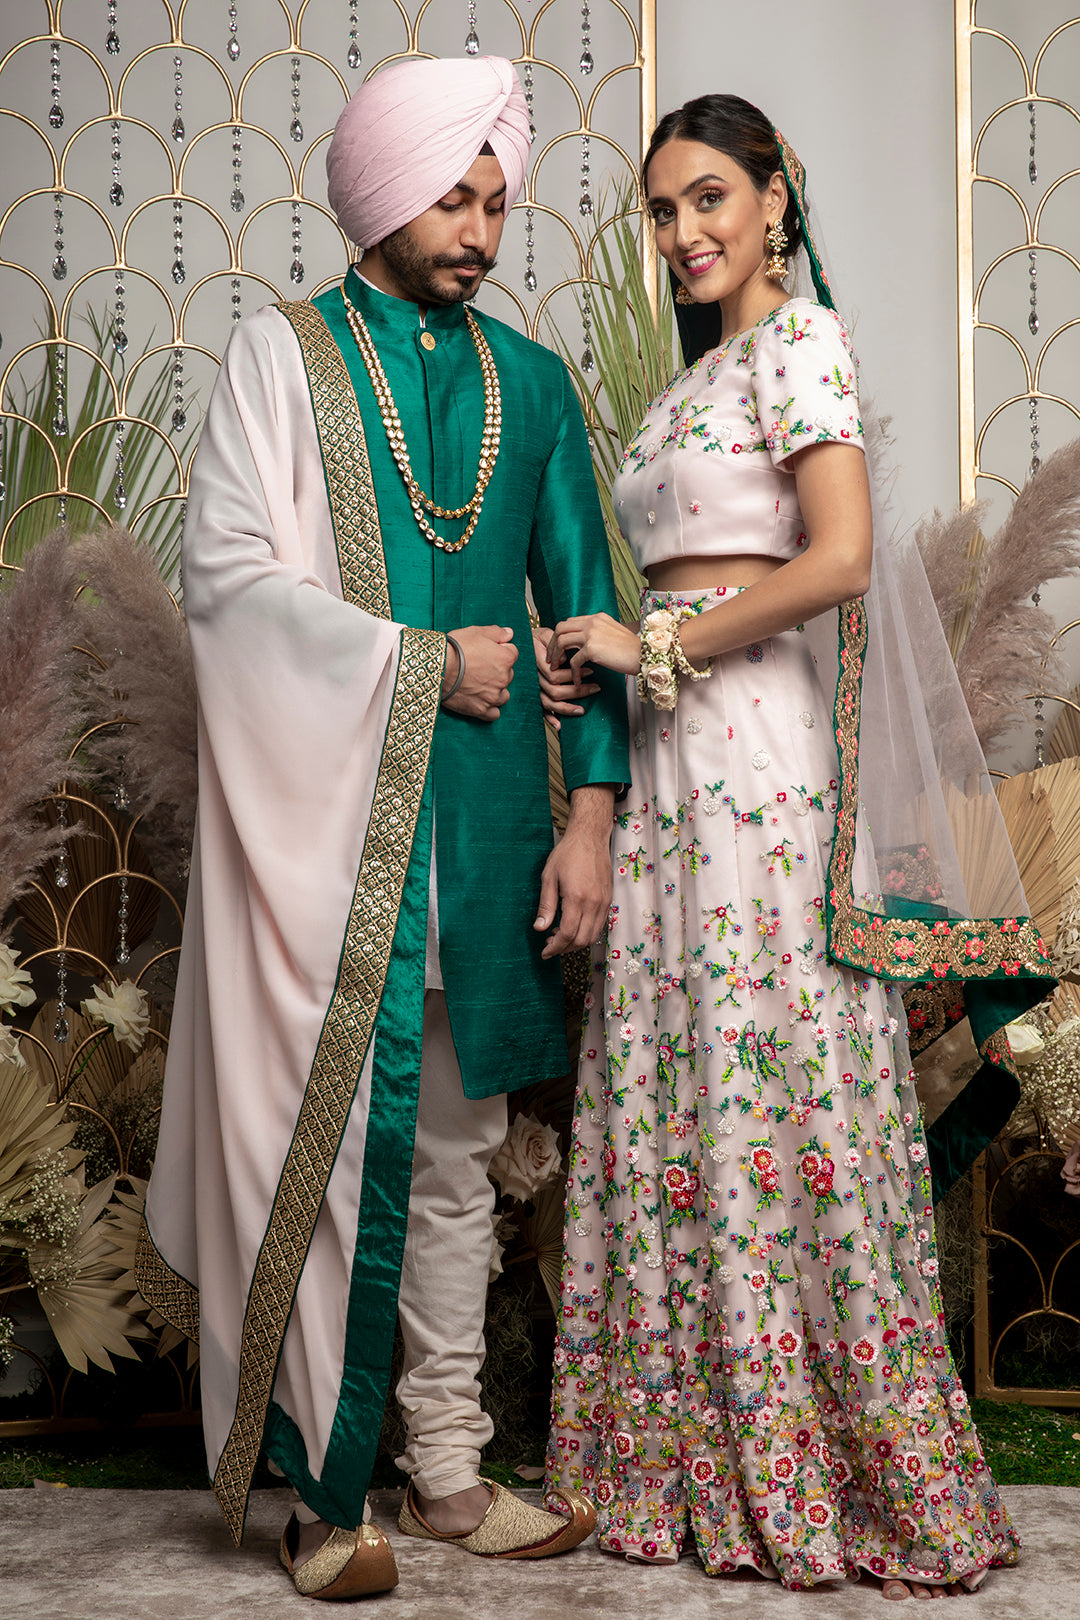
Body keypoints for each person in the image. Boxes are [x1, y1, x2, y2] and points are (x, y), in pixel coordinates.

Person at [543, 94, 1052, 1597]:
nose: (685, 233)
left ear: (777, 198)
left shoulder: (802, 344)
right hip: (666, 762)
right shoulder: (690, 387)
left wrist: (661, 640)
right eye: (661, 212)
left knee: (769, 1062)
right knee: (677, 1065)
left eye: (711, 199)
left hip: (756, 769)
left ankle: (818, 1450)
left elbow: (832, 561)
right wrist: (604, 654)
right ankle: (678, 1452)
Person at [136, 55, 628, 1601]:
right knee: (332, 1146)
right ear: (374, 189)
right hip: (324, 843)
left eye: (496, 201)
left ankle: (449, 1472)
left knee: (463, 1159)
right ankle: (318, 1489)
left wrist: (592, 818)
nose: (480, 228)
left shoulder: (534, 387)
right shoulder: (278, 362)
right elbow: (226, 583)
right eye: (451, 195)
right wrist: (428, 664)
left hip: (487, 833)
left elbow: (591, 607)